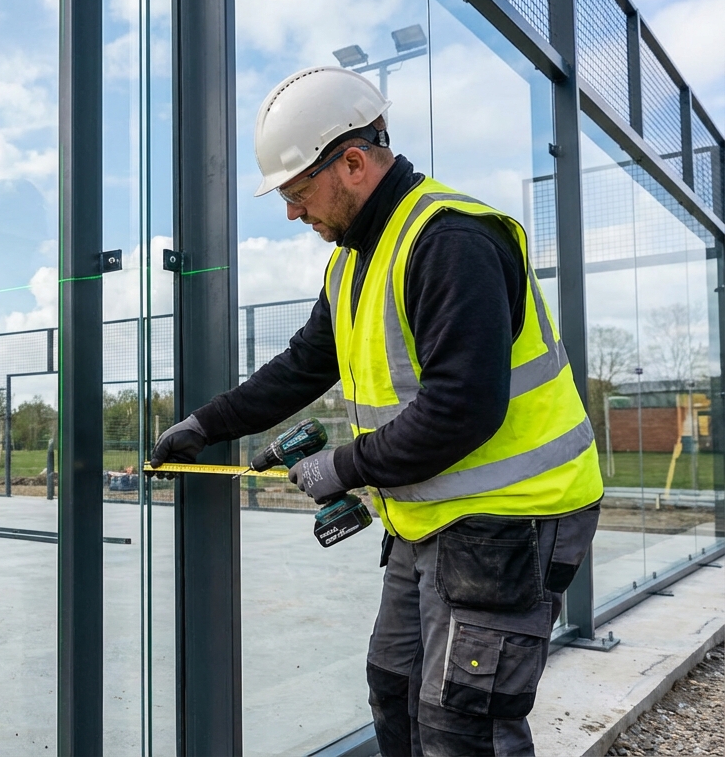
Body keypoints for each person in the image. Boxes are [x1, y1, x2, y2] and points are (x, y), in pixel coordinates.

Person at [150, 67, 603, 756]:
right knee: (394, 689)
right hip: (428, 517)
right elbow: (304, 363)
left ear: (353, 163)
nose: (293, 214)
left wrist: (344, 466)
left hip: (512, 518)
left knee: (462, 727)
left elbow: (462, 408)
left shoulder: (450, 241)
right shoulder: (353, 260)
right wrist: (207, 424)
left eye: (298, 194)